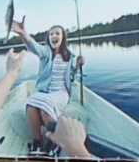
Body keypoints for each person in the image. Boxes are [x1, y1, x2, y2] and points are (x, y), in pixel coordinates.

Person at [11, 15, 84, 154]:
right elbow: (34, 47)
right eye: (51, 34)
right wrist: (23, 34)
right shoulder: (46, 53)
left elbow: (71, 75)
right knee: (31, 104)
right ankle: (38, 141)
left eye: (57, 33)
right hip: (45, 92)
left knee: (45, 107)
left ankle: (54, 141)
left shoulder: (70, 56)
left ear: (63, 37)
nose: (54, 36)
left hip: (61, 93)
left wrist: (77, 65)